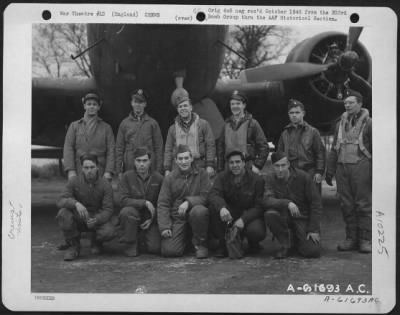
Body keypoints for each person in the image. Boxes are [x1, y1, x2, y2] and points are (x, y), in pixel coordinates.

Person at [325, 89, 372, 253]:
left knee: (363, 205)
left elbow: (378, 149)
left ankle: (365, 240)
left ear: (360, 104)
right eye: (345, 103)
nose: (347, 105)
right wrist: (329, 171)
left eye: (351, 102)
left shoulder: (370, 123)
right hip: (342, 168)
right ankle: (351, 238)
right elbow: (334, 148)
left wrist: (377, 173)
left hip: (361, 167)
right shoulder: (340, 123)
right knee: (346, 205)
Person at [56, 154, 116, 261]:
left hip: (95, 219)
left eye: (92, 167)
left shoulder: (105, 184)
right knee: (63, 214)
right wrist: (75, 203)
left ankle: (97, 241)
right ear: (81, 168)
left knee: (109, 231)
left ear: (97, 167)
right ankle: (74, 245)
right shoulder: (74, 181)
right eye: (86, 168)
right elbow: (60, 200)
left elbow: (108, 209)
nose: (89, 171)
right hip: (79, 217)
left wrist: (97, 219)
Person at [208, 150, 266, 258]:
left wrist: (244, 219)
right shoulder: (222, 177)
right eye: (231, 163)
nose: (235, 165)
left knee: (257, 231)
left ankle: (253, 243)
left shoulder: (257, 180)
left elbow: (260, 206)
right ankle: (223, 245)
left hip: (249, 215)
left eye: (238, 162)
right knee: (213, 208)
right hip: (230, 214)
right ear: (228, 164)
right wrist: (222, 208)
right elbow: (213, 194)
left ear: (244, 163)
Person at [263, 152, 322, 259]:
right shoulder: (270, 179)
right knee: (270, 214)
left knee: (312, 251)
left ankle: (296, 238)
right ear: (273, 167)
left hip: (302, 217)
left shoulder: (303, 177)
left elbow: (316, 203)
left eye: (283, 165)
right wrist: (287, 203)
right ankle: (285, 244)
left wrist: (313, 229)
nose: (280, 169)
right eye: (277, 166)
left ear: (289, 165)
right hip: (284, 216)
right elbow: (267, 200)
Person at [157, 144, 211, 258]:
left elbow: (206, 196)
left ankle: (201, 244)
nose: (184, 161)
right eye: (180, 158)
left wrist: (188, 202)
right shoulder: (170, 178)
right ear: (176, 160)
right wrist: (165, 226)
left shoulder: (202, 174)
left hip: (197, 217)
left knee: (199, 211)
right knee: (170, 251)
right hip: (178, 218)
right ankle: (186, 241)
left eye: (186, 158)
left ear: (191, 158)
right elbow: (163, 203)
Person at [118, 147, 163, 257]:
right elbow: (123, 200)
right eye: (138, 161)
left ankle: (142, 238)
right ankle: (130, 243)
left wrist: (152, 218)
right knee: (126, 212)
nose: (141, 164)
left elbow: (163, 203)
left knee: (155, 248)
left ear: (150, 161)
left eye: (144, 161)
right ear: (134, 161)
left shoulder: (158, 178)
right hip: (134, 215)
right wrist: (144, 203)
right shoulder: (127, 177)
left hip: (151, 217)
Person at [63, 92, 115, 181]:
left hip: (100, 171)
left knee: (100, 194)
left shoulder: (106, 128)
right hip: (79, 170)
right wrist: (70, 170)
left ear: (99, 107)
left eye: (94, 104)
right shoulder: (74, 126)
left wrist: (109, 171)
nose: (91, 107)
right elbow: (68, 148)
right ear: (84, 106)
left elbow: (111, 150)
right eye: (89, 104)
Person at [164, 88, 216, 177]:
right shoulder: (172, 129)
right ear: (177, 110)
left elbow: (210, 145)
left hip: (199, 165)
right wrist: (167, 169)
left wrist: (210, 165)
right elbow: (168, 150)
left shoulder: (203, 124)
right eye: (180, 107)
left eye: (185, 106)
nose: (183, 108)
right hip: (179, 168)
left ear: (191, 107)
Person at [277, 99, 326, 190]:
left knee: (313, 200)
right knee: (293, 201)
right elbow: (280, 154)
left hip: (309, 172)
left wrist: (319, 171)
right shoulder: (284, 134)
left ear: (303, 113)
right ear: (288, 114)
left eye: (297, 112)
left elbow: (320, 153)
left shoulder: (313, 132)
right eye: (291, 113)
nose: (294, 115)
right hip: (291, 172)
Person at [217, 90, 269, 174]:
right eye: (232, 104)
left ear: (244, 105)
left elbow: (264, 147)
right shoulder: (225, 125)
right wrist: (220, 169)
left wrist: (257, 166)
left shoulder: (253, 123)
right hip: (229, 168)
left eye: (238, 103)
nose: (235, 106)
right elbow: (220, 149)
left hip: (247, 167)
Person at [116, 89, 164, 176]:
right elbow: (119, 148)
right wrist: (119, 170)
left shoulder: (152, 123)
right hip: (130, 165)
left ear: (145, 104)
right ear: (132, 103)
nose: (138, 105)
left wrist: (159, 169)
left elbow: (159, 147)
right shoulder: (124, 123)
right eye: (135, 102)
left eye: (141, 102)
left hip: (148, 165)